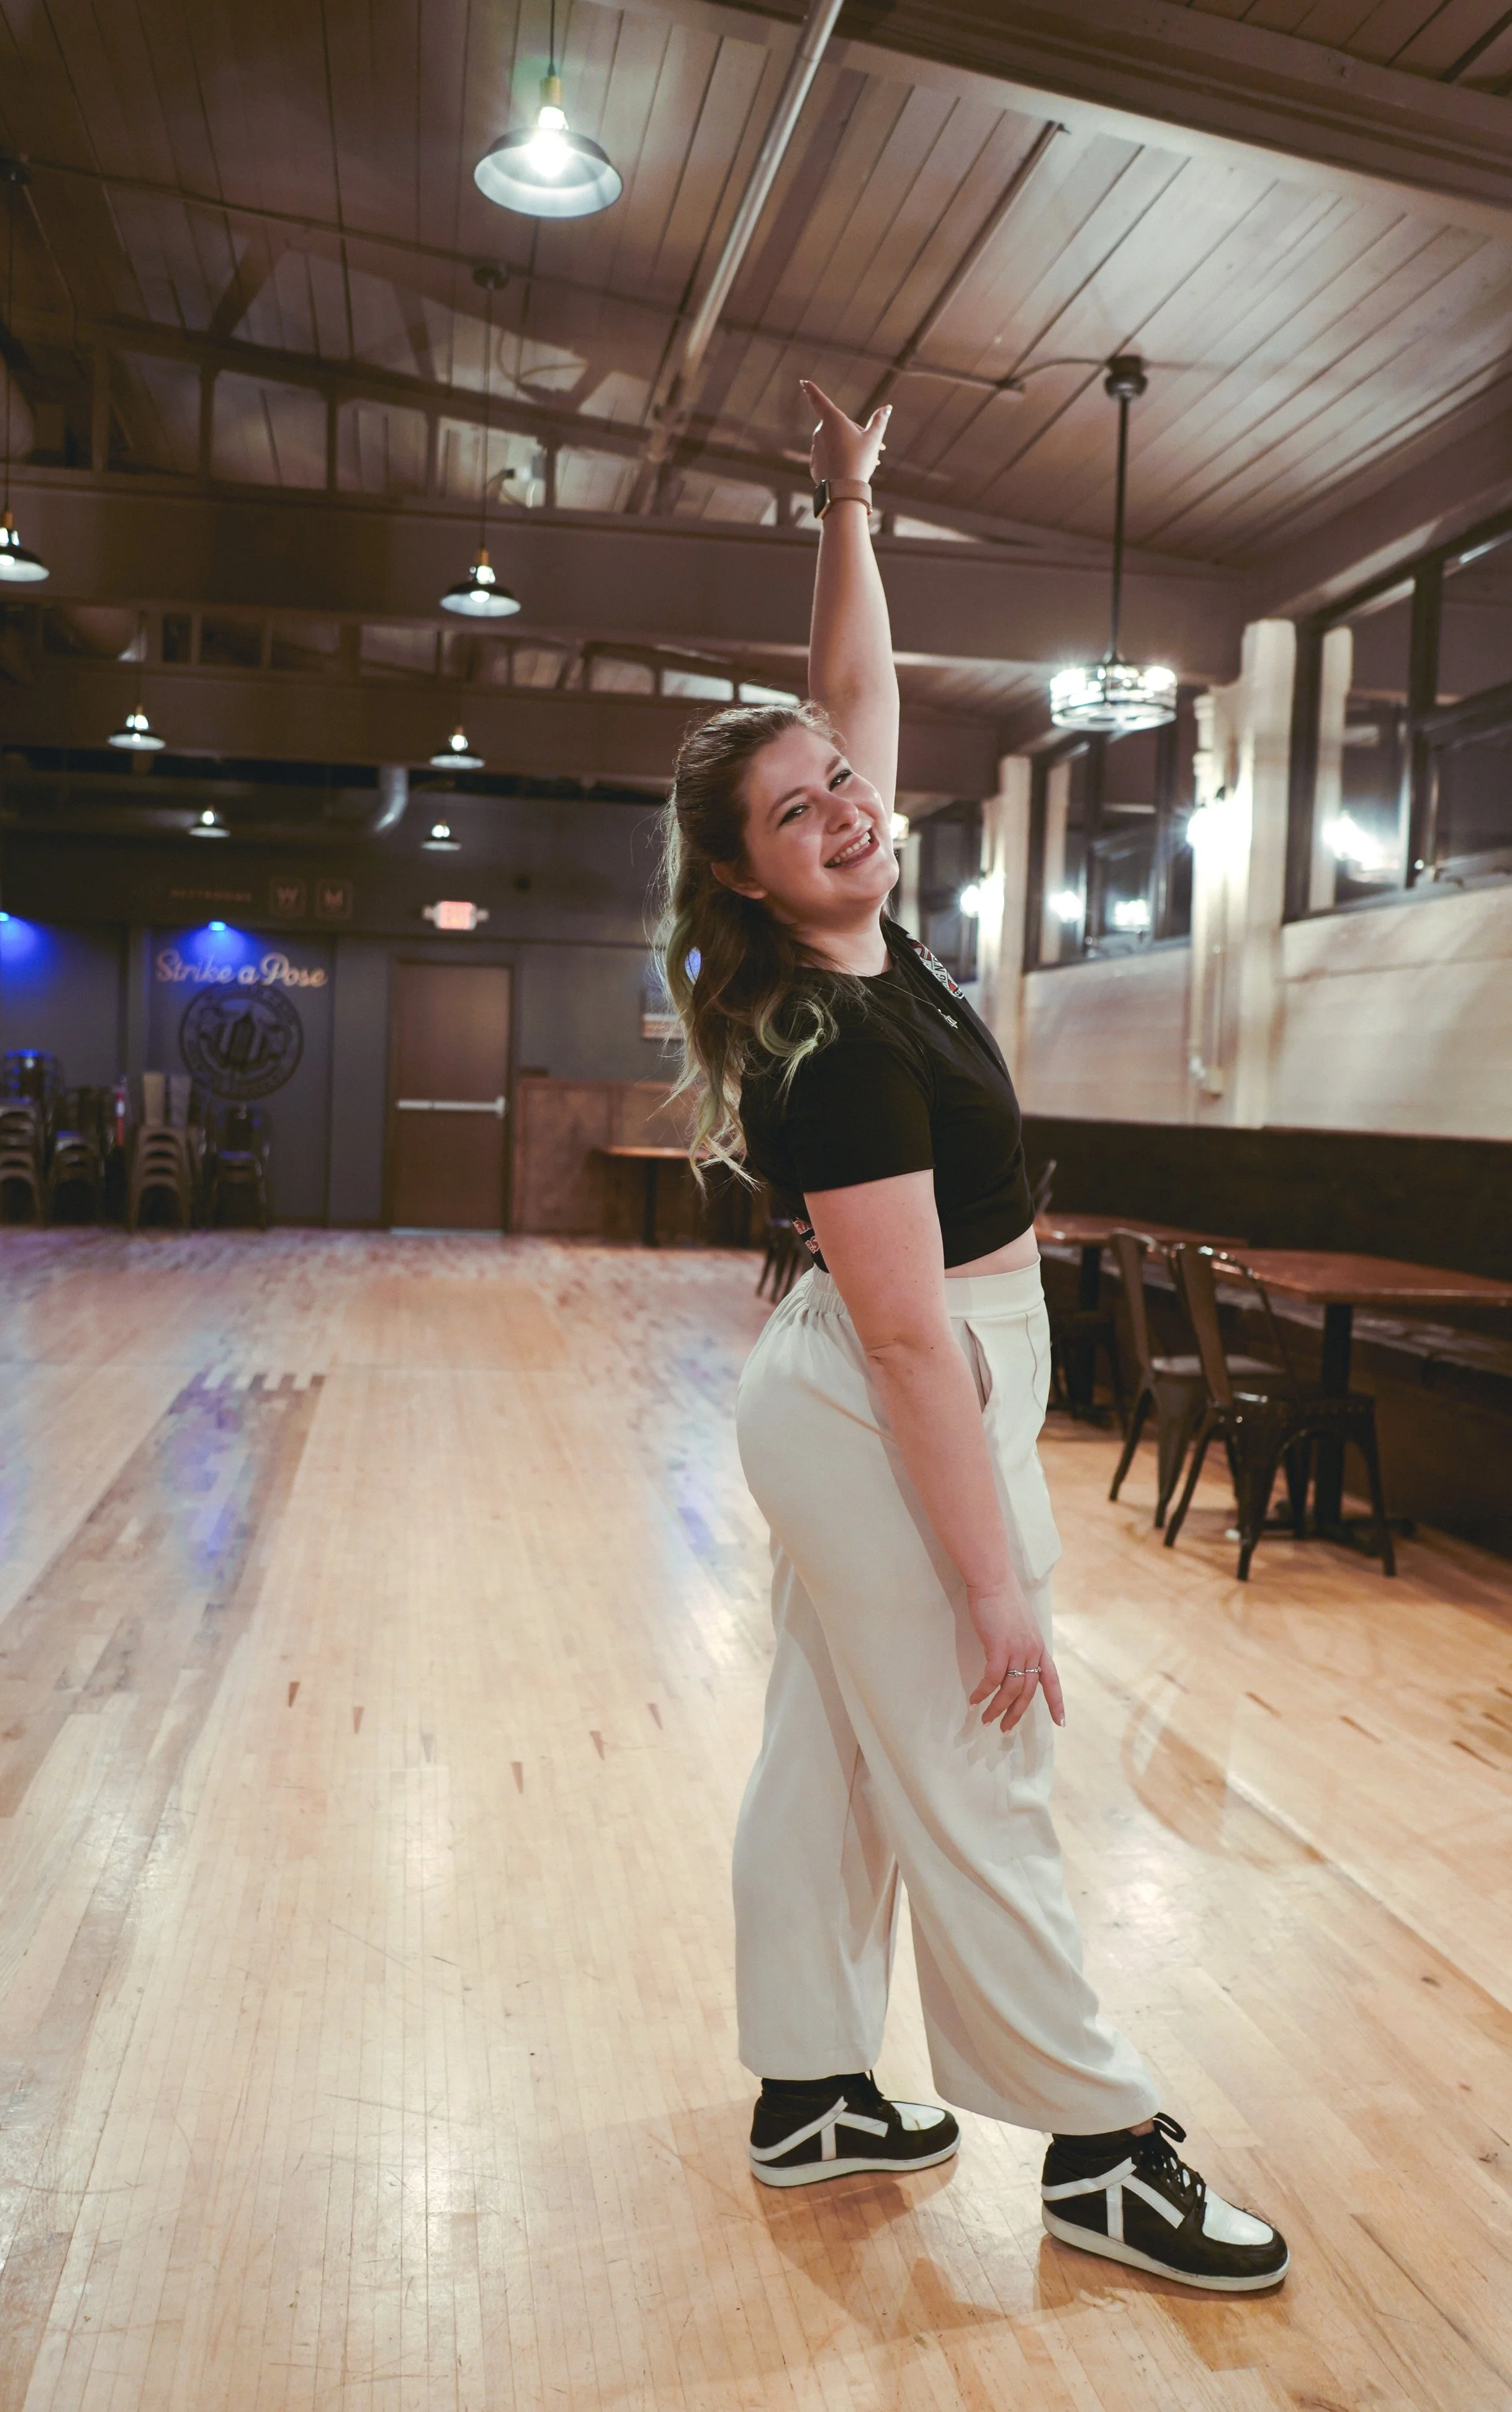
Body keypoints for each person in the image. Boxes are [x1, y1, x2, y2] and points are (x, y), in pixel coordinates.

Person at [655, 379, 1289, 2294]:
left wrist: (845, 499)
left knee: (836, 1752)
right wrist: (993, 1576)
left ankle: (810, 2090)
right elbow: (915, 1352)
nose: (847, 803)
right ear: (742, 872)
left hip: (874, 1378)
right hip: (887, 1389)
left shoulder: (866, 941)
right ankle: (1097, 2144)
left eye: (842, 785)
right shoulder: (828, 1043)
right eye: (799, 808)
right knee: (975, 1749)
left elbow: (849, 698)